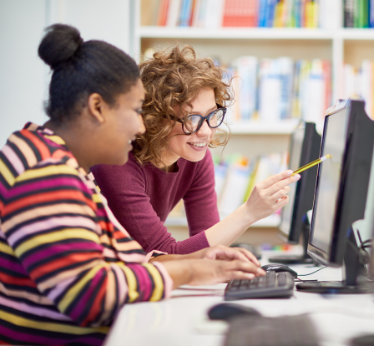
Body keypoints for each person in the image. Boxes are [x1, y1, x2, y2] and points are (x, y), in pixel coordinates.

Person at [0, 25, 264, 345]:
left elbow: (119, 259)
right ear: (98, 108)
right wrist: (191, 272)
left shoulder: (50, 156)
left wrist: (196, 261)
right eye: (137, 110)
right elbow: (92, 297)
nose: (142, 125)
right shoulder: (46, 175)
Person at [92, 45, 300, 255]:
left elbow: (208, 244)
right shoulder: (116, 162)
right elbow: (164, 254)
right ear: (155, 119)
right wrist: (248, 212)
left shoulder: (196, 159)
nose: (206, 132)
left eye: (212, 115)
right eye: (192, 119)